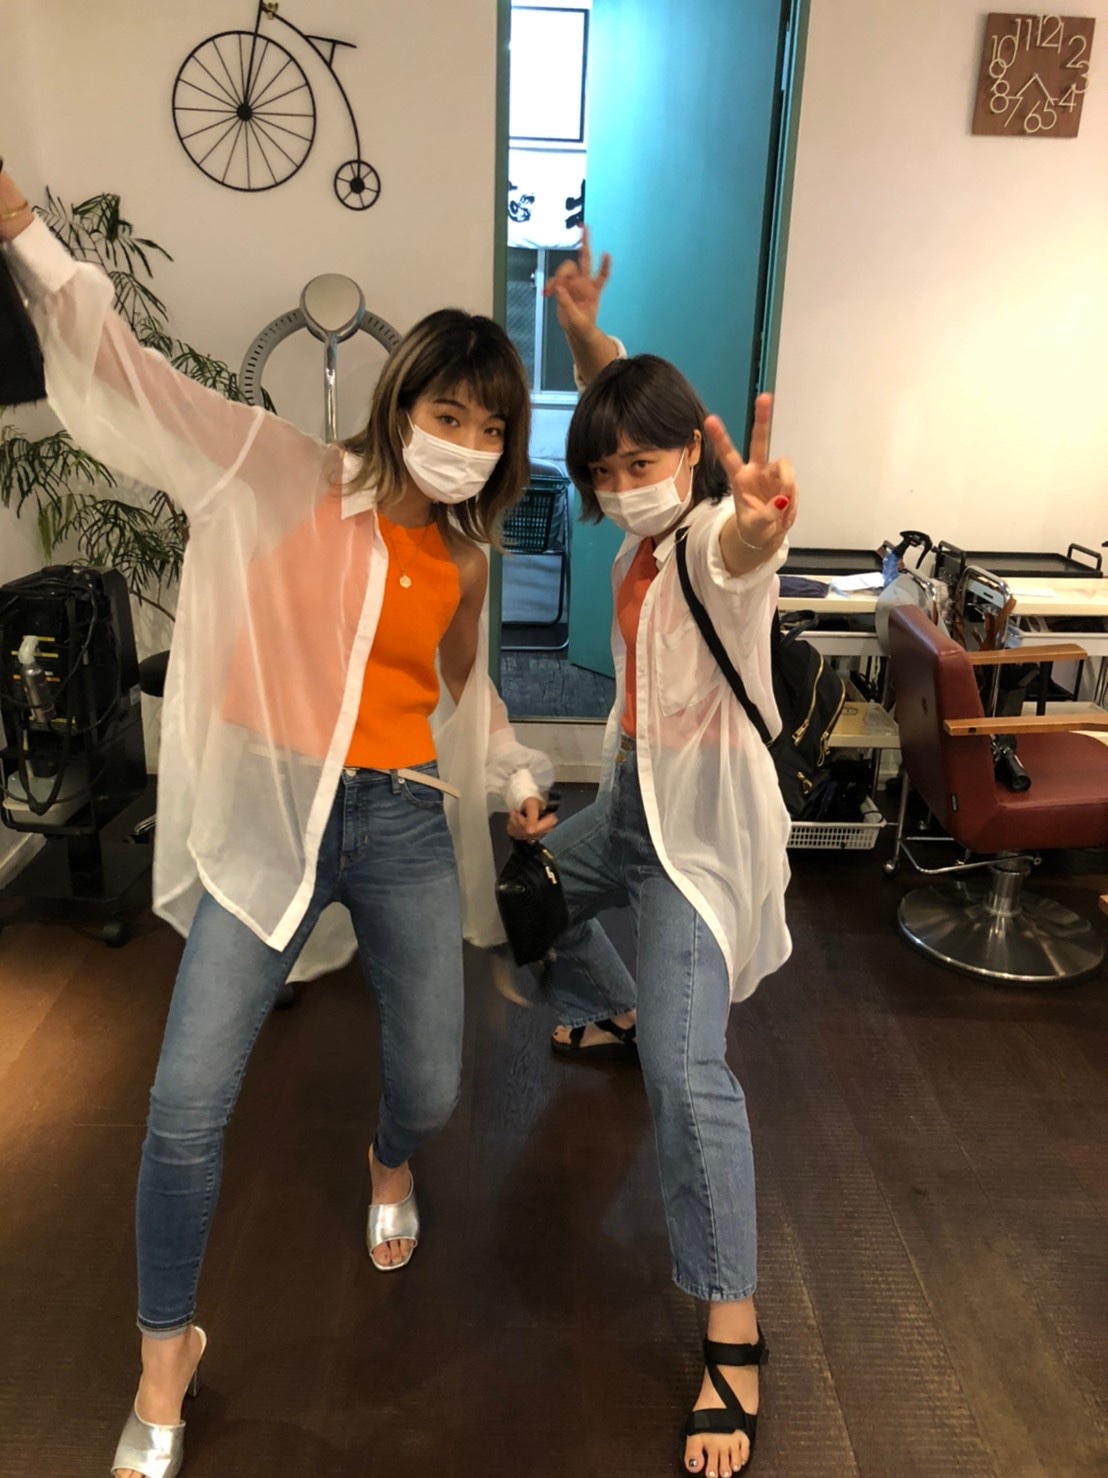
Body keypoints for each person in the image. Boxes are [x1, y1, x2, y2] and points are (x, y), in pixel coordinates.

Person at [0, 163, 555, 1478]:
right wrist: (26, 234)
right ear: (400, 402)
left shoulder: (461, 558)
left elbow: (467, 695)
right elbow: (129, 377)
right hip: (271, 820)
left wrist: (516, 777)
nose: (464, 439)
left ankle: (387, 1157)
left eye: (488, 426)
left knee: (432, 1079)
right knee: (185, 1102)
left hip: (403, 819)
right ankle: (165, 1356)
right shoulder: (277, 467)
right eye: (445, 410)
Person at [536, 236, 798, 1476]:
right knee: (516, 892)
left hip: (690, 840)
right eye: (603, 472)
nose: (620, 485)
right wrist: (586, 333)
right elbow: (628, 405)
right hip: (629, 802)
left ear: (693, 455)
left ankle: (732, 1328)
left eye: (640, 465)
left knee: (689, 1080)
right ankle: (617, 1001)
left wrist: (760, 521)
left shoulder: (702, 546)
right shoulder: (640, 540)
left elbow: (738, 553)